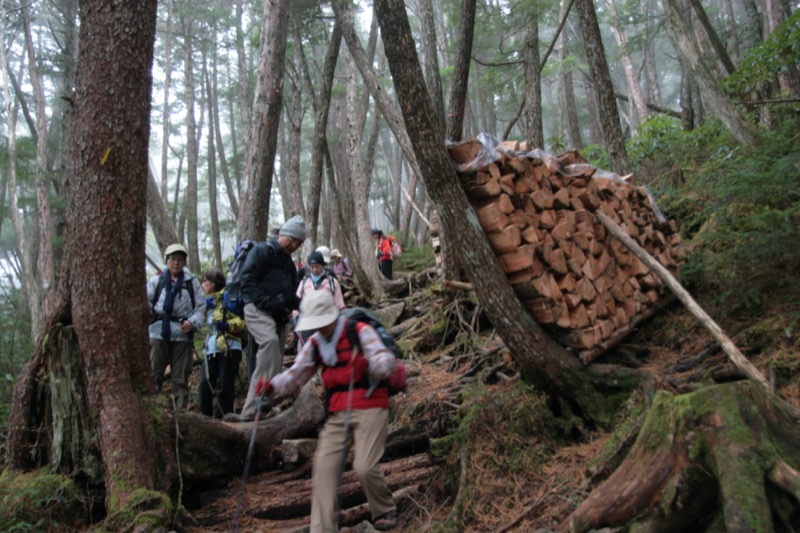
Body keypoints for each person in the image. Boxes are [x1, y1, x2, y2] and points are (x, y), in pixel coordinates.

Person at [255, 290, 399, 532]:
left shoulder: (360, 331)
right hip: (338, 413)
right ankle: (322, 528)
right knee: (323, 469)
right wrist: (271, 389)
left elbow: (386, 363)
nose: (319, 328)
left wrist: (369, 363)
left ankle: (384, 508)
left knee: (364, 465)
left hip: (370, 404)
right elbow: (296, 374)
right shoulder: (316, 344)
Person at [225, 215, 306, 422]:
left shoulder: (288, 264)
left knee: (276, 359)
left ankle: (265, 407)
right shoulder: (261, 251)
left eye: (299, 242)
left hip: (279, 315)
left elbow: (289, 294)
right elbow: (247, 281)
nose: (295, 245)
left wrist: (306, 306)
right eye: (293, 239)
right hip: (256, 308)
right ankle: (251, 410)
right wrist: (268, 303)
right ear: (284, 234)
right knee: (269, 344)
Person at [147, 243, 205, 409]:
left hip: (182, 335)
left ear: (184, 262)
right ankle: (155, 411)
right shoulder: (157, 280)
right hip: (158, 333)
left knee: (180, 378)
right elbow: (146, 302)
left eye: (180, 259)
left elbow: (200, 307)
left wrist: (192, 323)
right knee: (154, 374)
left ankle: (180, 415)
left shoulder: (191, 283)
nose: (176, 263)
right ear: (167, 260)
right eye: (173, 259)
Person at [198, 269, 244, 418]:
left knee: (226, 385)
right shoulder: (206, 303)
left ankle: (223, 420)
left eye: (206, 281)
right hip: (211, 349)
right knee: (205, 384)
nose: (203, 284)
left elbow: (242, 321)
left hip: (230, 346)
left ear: (215, 283)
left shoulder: (229, 297)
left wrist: (227, 325)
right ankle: (205, 418)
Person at [295, 251, 346, 343]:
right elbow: (297, 302)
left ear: (323, 266)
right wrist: (296, 318)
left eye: (317, 266)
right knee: (308, 347)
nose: (315, 270)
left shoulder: (332, 283)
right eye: (312, 267)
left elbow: (339, 304)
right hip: (308, 322)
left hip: (327, 322)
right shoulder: (304, 283)